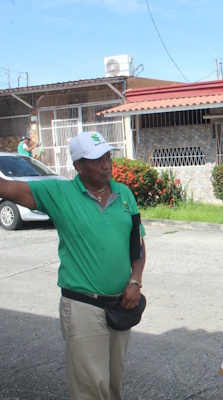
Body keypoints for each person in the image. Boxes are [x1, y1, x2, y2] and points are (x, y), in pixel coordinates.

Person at [0, 131, 146, 399]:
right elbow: (6, 188)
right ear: (78, 165)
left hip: (121, 304)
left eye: (107, 157)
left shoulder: (124, 193)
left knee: (113, 382)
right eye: (97, 160)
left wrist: (135, 281)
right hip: (82, 306)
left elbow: (137, 244)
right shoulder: (60, 193)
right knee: (90, 387)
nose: (106, 165)